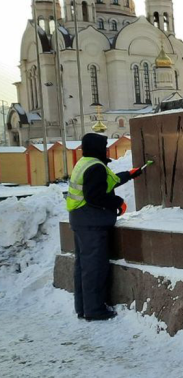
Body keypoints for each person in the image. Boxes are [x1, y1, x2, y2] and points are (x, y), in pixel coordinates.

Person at [66, 133, 142, 321]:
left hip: (80, 219)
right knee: (94, 267)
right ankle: (95, 310)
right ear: (97, 147)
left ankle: (83, 308)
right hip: (91, 222)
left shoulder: (86, 162)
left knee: (83, 265)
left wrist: (128, 175)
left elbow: (104, 183)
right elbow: (95, 196)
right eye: (105, 145)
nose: (107, 148)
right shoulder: (95, 167)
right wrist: (118, 202)